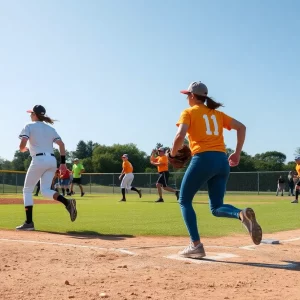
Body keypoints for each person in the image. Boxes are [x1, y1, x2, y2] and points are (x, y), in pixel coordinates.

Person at [170, 81, 262, 258]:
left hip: (203, 159)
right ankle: (240, 214)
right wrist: (236, 153)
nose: (186, 98)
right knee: (216, 207)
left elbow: (180, 136)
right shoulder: (217, 114)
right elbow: (241, 127)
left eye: (187, 95)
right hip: (222, 161)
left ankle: (195, 245)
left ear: (191, 96)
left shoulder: (188, 112)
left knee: (184, 200)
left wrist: (172, 154)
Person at [16, 105, 77, 231]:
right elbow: (61, 144)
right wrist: (63, 163)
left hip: (38, 160)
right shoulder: (50, 129)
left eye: (31, 113)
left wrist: (22, 149)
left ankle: (29, 223)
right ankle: (67, 203)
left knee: (27, 190)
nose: (30, 115)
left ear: (35, 114)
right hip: (51, 161)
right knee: (44, 191)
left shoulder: (29, 126)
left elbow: (23, 143)